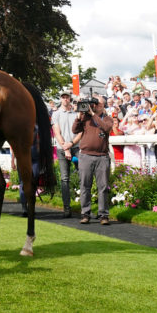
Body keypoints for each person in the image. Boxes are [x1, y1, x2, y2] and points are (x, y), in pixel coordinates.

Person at [72, 96, 113, 225]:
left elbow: (106, 128)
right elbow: (74, 130)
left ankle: (103, 215)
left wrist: (93, 115)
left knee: (103, 187)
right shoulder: (85, 117)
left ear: (102, 105)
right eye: (93, 104)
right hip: (86, 156)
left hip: (102, 156)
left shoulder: (107, 118)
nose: (94, 106)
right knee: (85, 186)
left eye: (97, 104)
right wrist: (79, 116)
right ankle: (85, 214)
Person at [51, 90, 79, 218]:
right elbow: (57, 132)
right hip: (62, 148)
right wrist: (65, 148)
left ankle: (85, 207)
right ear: (61, 99)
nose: (65, 99)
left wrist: (71, 144)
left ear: (70, 99)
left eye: (67, 97)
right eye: (63, 97)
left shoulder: (76, 113)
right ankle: (66, 207)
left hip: (76, 147)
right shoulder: (56, 114)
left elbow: (80, 132)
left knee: (84, 175)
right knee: (64, 178)